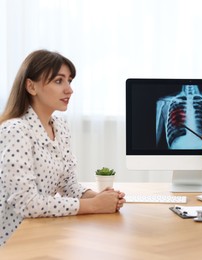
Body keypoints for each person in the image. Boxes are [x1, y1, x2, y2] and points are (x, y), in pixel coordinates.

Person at [0, 50, 126, 246]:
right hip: (15, 241)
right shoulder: (15, 130)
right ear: (31, 86)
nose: (69, 90)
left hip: (43, 233)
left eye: (69, 81)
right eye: (59, 81)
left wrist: (102, 198)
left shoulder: (60, 127)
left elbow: (68, 186)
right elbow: (26, 203)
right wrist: (93, 205)